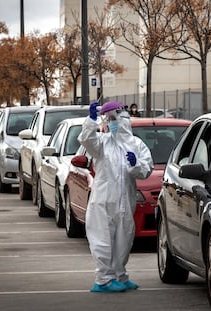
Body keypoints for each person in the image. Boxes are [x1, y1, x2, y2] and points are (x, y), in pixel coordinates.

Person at [78, 101, 154, 293]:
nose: (112, 122)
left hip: (125, 201)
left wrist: (136, 165)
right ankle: (103, 280)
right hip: (103, 201)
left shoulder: (137, 145)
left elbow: (145, 171)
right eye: (109, 119)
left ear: (124, 118)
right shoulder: (103, 142)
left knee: (124, 240)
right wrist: (91, 121)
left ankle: (119, 275)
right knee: (102, 240)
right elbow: (87, 140)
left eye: (114, 118)